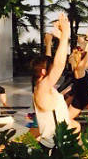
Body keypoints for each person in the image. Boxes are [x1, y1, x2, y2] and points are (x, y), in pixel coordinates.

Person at [32, 15, 80, 150]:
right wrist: (65, 36)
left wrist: (58, 40)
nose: (53, 70)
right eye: (49, 68)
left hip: (60, 144)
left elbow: (51, 62)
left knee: (76, 126)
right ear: (43, 72)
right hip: (55, 148)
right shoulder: (42, 87)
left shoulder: (44, 87)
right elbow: (58, 65)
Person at [67, 28, 88, 119]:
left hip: (86, 99)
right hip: (79, 102)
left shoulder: (81, 69)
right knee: (66, 120)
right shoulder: (78, 69)